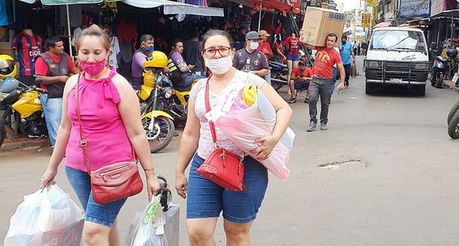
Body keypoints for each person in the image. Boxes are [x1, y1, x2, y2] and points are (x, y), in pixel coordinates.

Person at [40, 25, 160, 245]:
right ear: (77, 53)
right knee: (104, 224)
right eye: (85, 52)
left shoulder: (119, 85)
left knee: (93, 232)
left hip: (114, 172)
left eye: (97, 53)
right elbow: (65, 129)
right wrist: (52, 167)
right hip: (77, 169)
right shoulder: (72, 84)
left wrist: (150, 174)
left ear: (107, 53)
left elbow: (137, 134)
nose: (91, 58)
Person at [174, 29, 292, 245]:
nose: (217, 55)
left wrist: (274, 139)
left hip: (247, 165)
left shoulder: (249, 82)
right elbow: (191, 132)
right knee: (197, 232)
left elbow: (283, 109)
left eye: (222, 50)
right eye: (211, 50)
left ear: (232, 52)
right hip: (206, 165)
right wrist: (179, 171)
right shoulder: (199, 89)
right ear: (203, 55)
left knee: (236, 232)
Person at [35, 37, 77, 147]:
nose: (62, 47)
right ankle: (58, 148)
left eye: (62, 45)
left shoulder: (65, 56)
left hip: (65, 93)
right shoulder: (42, 59)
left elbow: (74, 70)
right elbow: (40, 78)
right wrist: (59, 78)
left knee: (68, 120)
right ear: (50, 48)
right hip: (50, 95)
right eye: (59, 46)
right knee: (55, 122)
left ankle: (68, 146)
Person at [308, 33, 346, 132]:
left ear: (335, 43)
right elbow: (307, 44)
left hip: (327, 82)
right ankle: (313, 121)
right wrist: (304, 35)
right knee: (312, 99)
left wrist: (342, 82)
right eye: (328, 40)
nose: (329, 42)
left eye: (332, 41)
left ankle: (323, 121)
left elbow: (341, 69)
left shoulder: (335, 54)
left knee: (325, 103)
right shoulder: (319, 48)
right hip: (315, 80)